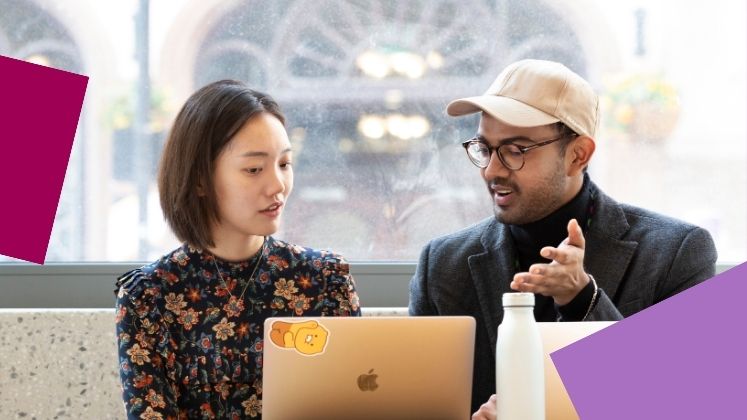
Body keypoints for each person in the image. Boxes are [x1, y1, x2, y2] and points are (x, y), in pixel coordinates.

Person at [408, 59, 717, 418]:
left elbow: (683, 405)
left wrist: (582, 299)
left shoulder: (677, 253)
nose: (492, 170)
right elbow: (421, 405)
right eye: (485, 148)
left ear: (578, 155)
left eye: (515, 150)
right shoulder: (443, 263)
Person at [115, 80, 361, 419]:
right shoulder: (149, 297)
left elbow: (354, 403)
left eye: (285, 164)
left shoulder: (325, 280)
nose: (277, 185)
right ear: (200, 179)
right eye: (254, 169)